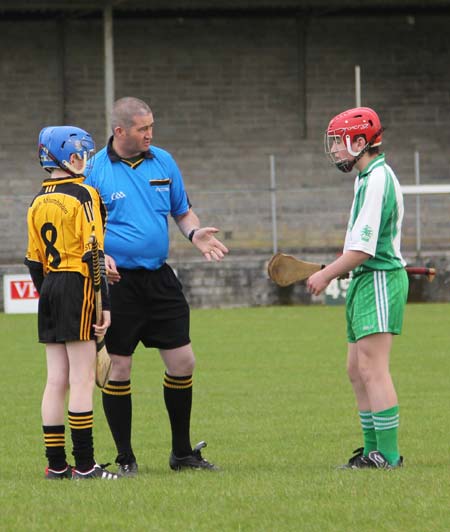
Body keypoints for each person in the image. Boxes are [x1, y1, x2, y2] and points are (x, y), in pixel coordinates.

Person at [84, 97, 229, 476]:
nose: (150, 133)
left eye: (151, 126)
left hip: (160, 278)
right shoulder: (94, 171)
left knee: (183, 362)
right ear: (120, 131)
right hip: (118, 283)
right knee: (119, 367)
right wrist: (99, 255)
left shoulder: (163, 160)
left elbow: (181, 211)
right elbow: (83, 228)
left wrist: (195, 233)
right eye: (142, 128)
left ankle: (181, 453)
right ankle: (125, 459)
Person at [307, 107, 408, 469]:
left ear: (360, 142)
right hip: (366, 280)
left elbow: (363, 250)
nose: (334, 150)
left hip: (379, 278)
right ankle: (371, 450)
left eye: (339, 142)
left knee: (373, 368)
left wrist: (326, 274)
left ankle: (389, 455)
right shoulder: (365, 178)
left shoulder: (378, 178)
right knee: (356, 368)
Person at [25, 126, 118, 480]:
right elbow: (95, 252)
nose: (86, 161)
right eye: (82, 154)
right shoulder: (84, 195)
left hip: (48, 287)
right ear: (69, 157)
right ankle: (85, 465)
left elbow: (33, 261)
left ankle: (56, 465)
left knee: (56, 380)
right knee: (81, 379)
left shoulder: (36, 200)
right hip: (77, 284)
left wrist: (48, 292)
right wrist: (103, 305)